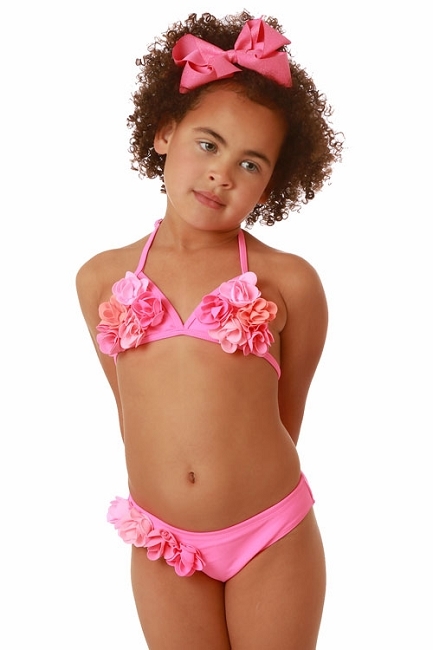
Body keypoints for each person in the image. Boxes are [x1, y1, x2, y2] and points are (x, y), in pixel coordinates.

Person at [76, 10, 342, 649]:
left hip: (268, 535)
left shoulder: (289, 282)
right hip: (163, 542)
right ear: (165, 132)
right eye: (208, 144)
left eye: (251, 164)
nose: (223, 172)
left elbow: (287, 415)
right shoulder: (101, 279)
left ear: (272, 184)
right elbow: (130, 410)